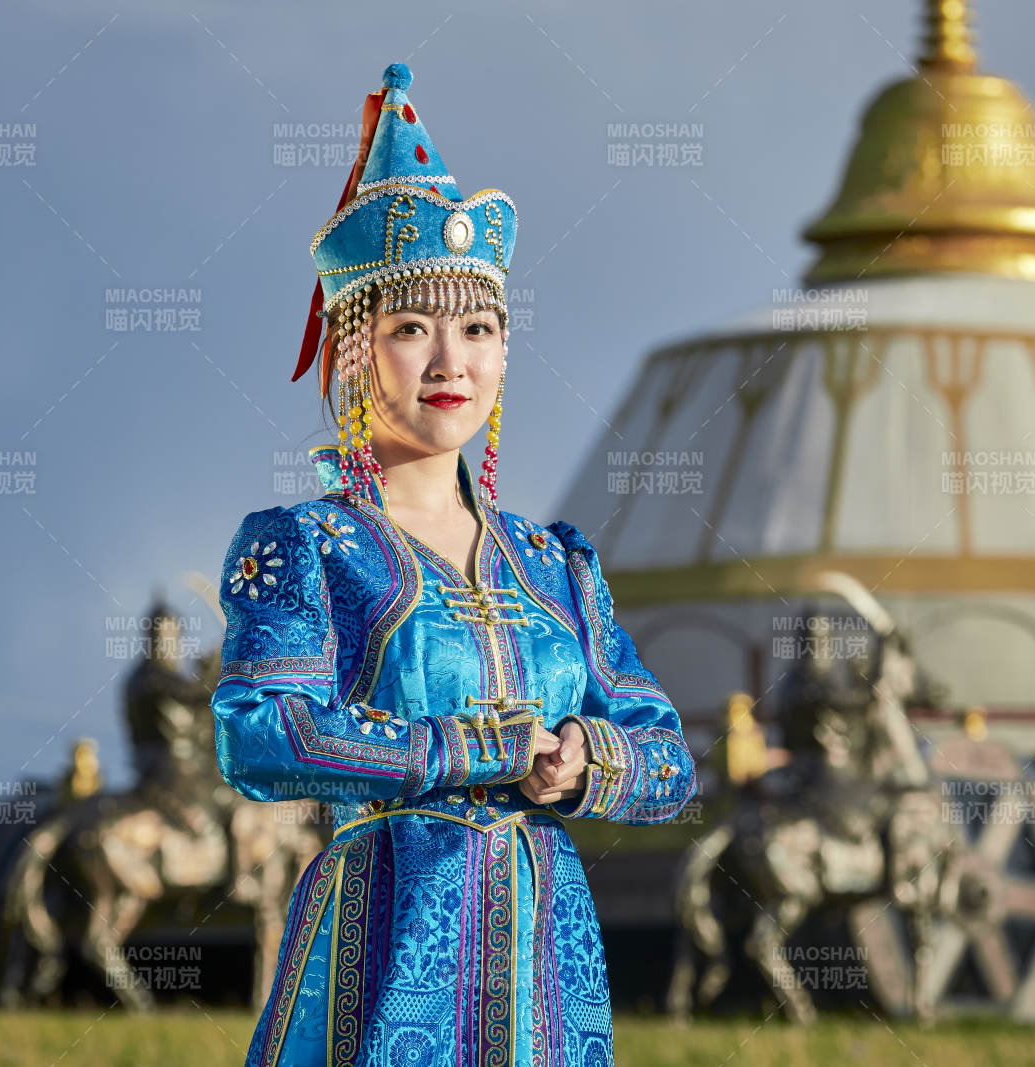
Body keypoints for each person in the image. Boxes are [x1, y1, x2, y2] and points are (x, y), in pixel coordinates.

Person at [211, 62, 696, 1067]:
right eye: (410, 328)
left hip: (544, 964)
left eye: (478, 328)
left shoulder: (555, 563)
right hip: (378, 950)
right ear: (352, 352)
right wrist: (475, 747)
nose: (450, 361)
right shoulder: (302, 544)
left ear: (505, 354)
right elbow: (263, 733)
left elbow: (666, 756)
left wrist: (575, 759)